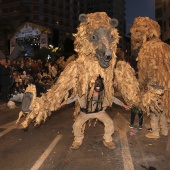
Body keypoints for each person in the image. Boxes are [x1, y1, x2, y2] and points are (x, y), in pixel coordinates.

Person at [60, 75, 130, 150]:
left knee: (109, 122)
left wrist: (124, 105)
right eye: (95, 86)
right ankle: (77, 140)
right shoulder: (83, 93)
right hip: (85, 113)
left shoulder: (103, 93)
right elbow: (71, 99)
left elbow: (113, 99)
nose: (97, 89)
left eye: (99, 87)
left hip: (99, 112)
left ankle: (108, 140)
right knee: (76, 125)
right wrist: (61, 104)